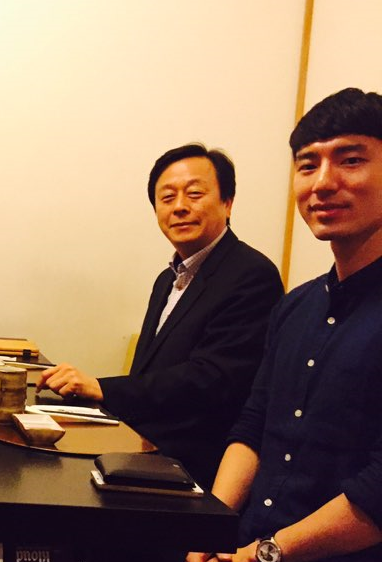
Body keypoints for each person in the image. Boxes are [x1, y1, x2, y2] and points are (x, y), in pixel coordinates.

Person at [131, 87, 382, 562]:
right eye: (307, 165)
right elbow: (252, 426)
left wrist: (257, 554)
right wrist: (210, 529)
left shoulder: (251, 277)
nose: (323, 182)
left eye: (350, 160)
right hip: (252, 549)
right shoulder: (297, 307)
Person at [38, 144, 284, 486]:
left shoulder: (251, 274)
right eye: (167, 198)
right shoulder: (167, 279)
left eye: (194, 194)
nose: (179, 206)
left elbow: (212, 381)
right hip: (142, 453)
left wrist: (102, 388)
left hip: (195, 472)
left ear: (228, 203)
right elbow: (151, 375)